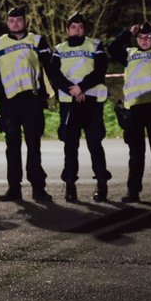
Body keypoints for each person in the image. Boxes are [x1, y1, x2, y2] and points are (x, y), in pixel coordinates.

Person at [0, 6, 54, 202]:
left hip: (32, 100)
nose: (15, 23)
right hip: (10, 102)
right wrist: (4, 89)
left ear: (26, 21)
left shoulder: (37, 40)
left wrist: (47, 94)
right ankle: (14, 188)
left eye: (19, 20)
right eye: (11, 20)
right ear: (7, 23)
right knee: (12, 147)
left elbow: (49, 66)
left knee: (34, 145)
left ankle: (38, 188)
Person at [107, 22, 151, 203]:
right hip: (135, 109)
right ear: (136, 39)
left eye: (149, 37)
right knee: (136, 153)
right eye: (141, 37)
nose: (144, 40)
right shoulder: (130, 54)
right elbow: (112, 48)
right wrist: (128, 32)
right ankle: (133, 191)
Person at [49, 12, 109, 202]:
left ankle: (102, 184)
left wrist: (81, 87)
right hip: (69, 102)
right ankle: (70, 186)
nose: (77, 30)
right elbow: (54, 74)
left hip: (91, 100)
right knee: (70, 146)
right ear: (68, 29)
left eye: (80, 27)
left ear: (84, 29)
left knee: (95, 144)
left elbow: (100, 70)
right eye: (73, 27)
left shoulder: (96, 45)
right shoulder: (59, 49)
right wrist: (73, 90)